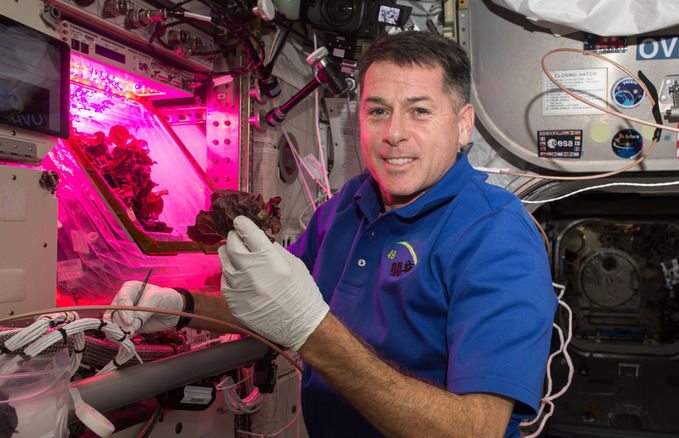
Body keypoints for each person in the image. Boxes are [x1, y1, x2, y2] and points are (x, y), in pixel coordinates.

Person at [105, 31, 558, 437]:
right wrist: (179, 307)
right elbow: (276, 305)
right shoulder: (350, 203)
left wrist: (311, 331)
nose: (394, 133)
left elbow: (475, 431)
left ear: (463, 126)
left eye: (419, 111)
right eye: (378, 111)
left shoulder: (497, 236)